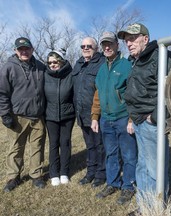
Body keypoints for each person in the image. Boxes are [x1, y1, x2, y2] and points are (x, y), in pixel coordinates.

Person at [117, 23, 171, 214]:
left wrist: (155, 117)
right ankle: (145, 206)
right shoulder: (135, 60)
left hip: (152, 122)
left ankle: (158, 208)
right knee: (142, 166)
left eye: (133, 38)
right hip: (138, 121)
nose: (129, 43)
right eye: (126, 39)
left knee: (154, 169)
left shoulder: (161, 55)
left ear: (145, 38)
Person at [91, 31, 137, 205]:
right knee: (111, 154)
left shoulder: (127, 66)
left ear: (117, 45)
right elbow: (97, 95)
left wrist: (132, 119)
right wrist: (95, 116)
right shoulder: (102, 69)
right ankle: (112, 183)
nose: (107, 47)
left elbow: (133, 95)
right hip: (106, 119)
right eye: (104, 44)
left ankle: (128, 187)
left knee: (129, 155)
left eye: (110, 43)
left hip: (123, 118)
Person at [0, 37, 47, 192]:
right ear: (16, 51)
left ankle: (36, 175)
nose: (24, 51)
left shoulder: (41, 67)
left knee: (37, 147)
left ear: (32, 49)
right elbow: (2, 93)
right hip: (17, 116)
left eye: (27, 48)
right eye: (21, 49)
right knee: (15, 149)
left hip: (38, 116)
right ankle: (13, 177)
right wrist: (5, 114)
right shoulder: (8, 67)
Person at [72, 37, 106, 188]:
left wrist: (96, 114)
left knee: (100, 145)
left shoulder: (102, 63)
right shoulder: (78, 64)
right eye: (83, 46)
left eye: (89, 46)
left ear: (96, 48)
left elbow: (102, 89)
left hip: (96, 115)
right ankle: (90, 172)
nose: (86, 48)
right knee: (90, 145)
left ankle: (101, 174)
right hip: (81, 114)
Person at [44, 48, 75, 186]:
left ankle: (64, 172)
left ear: (61, 61)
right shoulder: (45, 75)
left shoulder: (70, 74)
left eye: (55, 62)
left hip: (67, 115)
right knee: (53, 144)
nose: (52, 65)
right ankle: (54, 173)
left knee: (65, 143)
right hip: (50, 115)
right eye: (50, 63)